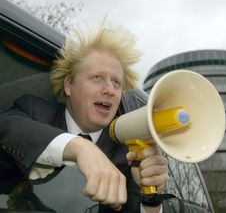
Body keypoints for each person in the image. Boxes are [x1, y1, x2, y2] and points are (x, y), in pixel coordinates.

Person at [0, 21, 169, 213]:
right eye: (97, 77)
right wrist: (79, 147)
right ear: (69, 85)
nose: (110, 90)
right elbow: (6, 126)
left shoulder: (128, 152)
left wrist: (151, 199)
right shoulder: (33, 110)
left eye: (116, 82)